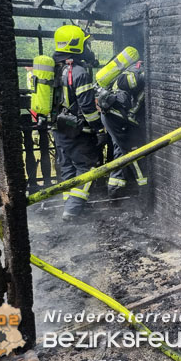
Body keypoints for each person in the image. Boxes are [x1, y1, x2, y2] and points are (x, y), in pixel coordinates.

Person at [51, 24, 107, 221]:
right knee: (86, 168)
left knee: (67, 168)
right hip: (77, 131)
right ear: (76, 46)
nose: (87, 49)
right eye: (85, 44)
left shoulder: (53, 67)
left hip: (57, 127)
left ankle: (69, 205)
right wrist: (99, 129)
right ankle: (73, 211)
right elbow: (88, 108)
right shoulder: (78, 72)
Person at [97, 64, 148, 198]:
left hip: (111, 115)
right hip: (118, 118)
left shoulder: (126, 72)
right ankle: (145, 192)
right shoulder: (139, 76)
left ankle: (115, 190)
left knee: (121, 150)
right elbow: (136, 101)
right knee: (135, 153)